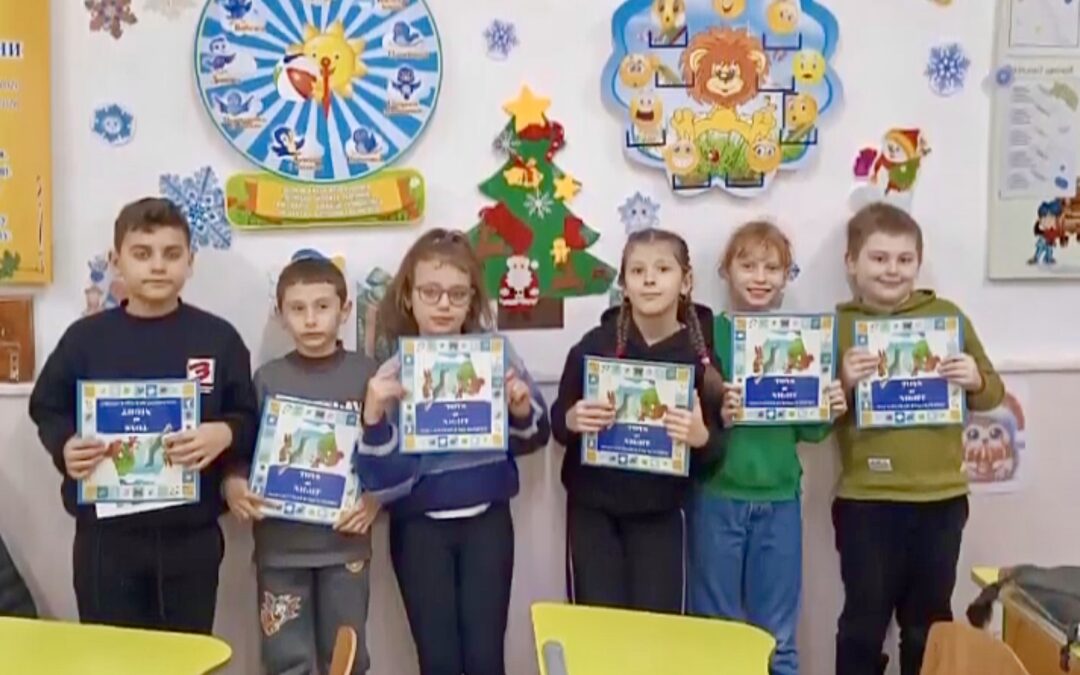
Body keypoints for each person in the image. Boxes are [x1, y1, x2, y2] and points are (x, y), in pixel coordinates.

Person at [28, 197, 259, 632]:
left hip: (190, 534)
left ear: (190, 262)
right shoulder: (86, 338)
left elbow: (247, 415)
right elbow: (46, 404)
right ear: (117, 262)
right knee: (112, 657)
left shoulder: (219, 338)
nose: (157, 266)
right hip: (107, 539)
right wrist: (65, 445)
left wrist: (225, 433)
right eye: (142, 254)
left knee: (187, 656)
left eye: (171, 255)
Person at [359, 229, 550, 675]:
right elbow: (380, 480)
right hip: (419, 529)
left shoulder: (497, 356)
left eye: (457, 294)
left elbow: (536, 437)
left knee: (486, 658)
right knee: (438, 660)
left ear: (472, 301)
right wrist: (373, 417)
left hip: (487, 522)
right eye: (431, 292)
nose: (444, 304)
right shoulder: (391, 373)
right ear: (409, 297)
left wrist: (521, 407)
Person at [835, 202, 1005, 675]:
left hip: (941, 499)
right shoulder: (836, 327)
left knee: (926, 624)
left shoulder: (947, 317)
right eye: (879, 258)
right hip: (866, 500)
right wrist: (844, 382)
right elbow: (818, 418)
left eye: (904, 259)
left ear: (918, 262)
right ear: (851, 263)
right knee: (863, 624)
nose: (892, 269)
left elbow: (993, 392)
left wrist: (974, 378)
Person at [690, 221, 847, 675]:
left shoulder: (805, 339)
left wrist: (830, 406)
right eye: (748, 265)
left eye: (772, 267)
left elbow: (811, 432)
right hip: (717, 495)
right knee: (715, 633)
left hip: (779, 499)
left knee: (777, 638)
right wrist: (718, 410)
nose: (760, 277)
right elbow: (685, 416)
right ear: (726, 271)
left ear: (786, 275)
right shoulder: (707, 335)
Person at [551, 227, 725, 614]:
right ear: (624, 285)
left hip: (662, 515)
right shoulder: (594, 346)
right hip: (593, 513)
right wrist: (573, 418)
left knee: (657, 636)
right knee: (597, 634)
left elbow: (716, 451)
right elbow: (559, 424)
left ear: (686, 281)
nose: (649, 279)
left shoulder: (702, 361)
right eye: (637, 271)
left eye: (663, 269)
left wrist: (700, 438)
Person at [223, 253, 379, 674]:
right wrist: (233, 486)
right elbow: (243, 451)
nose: (311, 320)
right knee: (285, 660)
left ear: (344, 311)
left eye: (322, 306)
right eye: (297, 308)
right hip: (280, 548)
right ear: (281, 315)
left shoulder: (369, 376)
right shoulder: (267, 378)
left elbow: (389, 453)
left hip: (344, 545)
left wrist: (376, 502)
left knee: (347, 660)